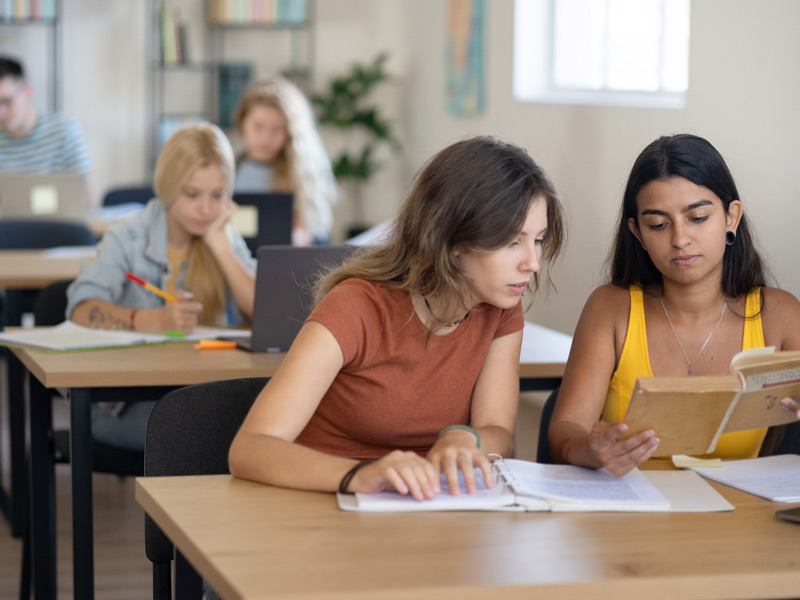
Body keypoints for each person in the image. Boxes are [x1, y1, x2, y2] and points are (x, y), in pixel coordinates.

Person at [228, 136, 566, 500]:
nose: (532, 262)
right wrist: (361, 475)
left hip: (420, 508)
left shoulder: (500, 306)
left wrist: (467, 438)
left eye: (539, 240)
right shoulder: (356, 306)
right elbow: (250, 449)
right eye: (513, 242)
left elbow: (498, 430)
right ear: (453, 241)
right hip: (322, 503)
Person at [548, 133, 800, 476]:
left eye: (697, 218)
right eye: (659, 225)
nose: (680, 240)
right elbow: (566, 430)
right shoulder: (611, 309)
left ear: (731, 217)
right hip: (633, 514)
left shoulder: (779, 315)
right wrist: (589, 450)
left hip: (742, 517)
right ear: (638, 233)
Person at [65, 123, 256, 450]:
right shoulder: (128, 235)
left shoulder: (221, 231)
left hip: (199, 391)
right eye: (192, 195)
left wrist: (219, 245)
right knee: (219, 436)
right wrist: (150, 321)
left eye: (217, 195)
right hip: (128, 404)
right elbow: (82, 309)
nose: (207, 209)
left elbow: (262, 311)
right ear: (168, 188)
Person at [232, 75, 338, 246]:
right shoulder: (231, 171)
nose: (265, 137)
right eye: (258, 126)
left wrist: (295, 237)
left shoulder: (300, 175)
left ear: (289, 132)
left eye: (276, 129)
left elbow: (312, 229)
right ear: (242, 122)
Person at [0, 55, 92, 173]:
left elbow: (83, 189)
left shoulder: (65, 131)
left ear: (27, 90)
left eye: (7, 101)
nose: (1, 112)